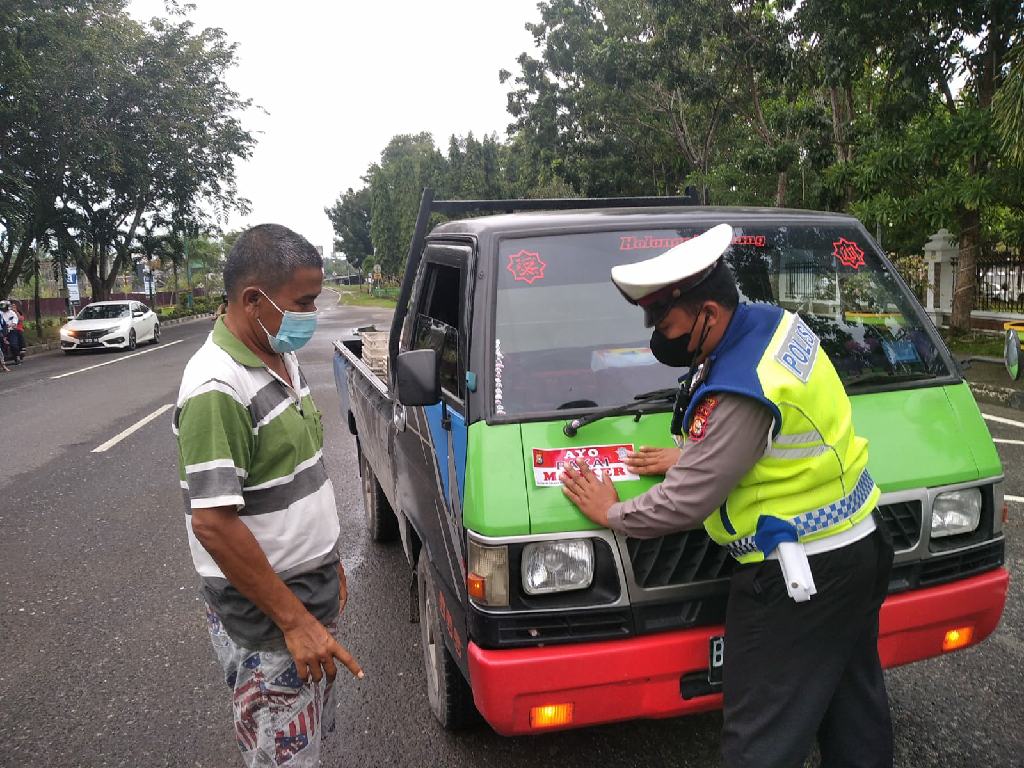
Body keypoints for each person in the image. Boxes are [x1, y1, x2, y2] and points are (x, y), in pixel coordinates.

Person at [560, 223, 893, 768]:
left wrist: (611, 511)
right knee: (853, 709)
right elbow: (769, 439)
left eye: (665, 323)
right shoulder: (772, 326)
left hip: (796, 579)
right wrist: (702, 452)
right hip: (858, 548)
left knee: (760, 738)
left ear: (707, 314)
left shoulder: (743, 384)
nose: (658, 337)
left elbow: (684, 503)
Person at [173, 224, 362, 767]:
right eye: (302, 302)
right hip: (272, 619)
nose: (311, 315)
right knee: (282, 753)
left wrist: (327, 560)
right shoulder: (218, 388)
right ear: (253, 299)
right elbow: (213, 523)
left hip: (304, 593)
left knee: (309, 741)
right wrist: (296, 621)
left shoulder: (277, 353)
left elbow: (297, 471)